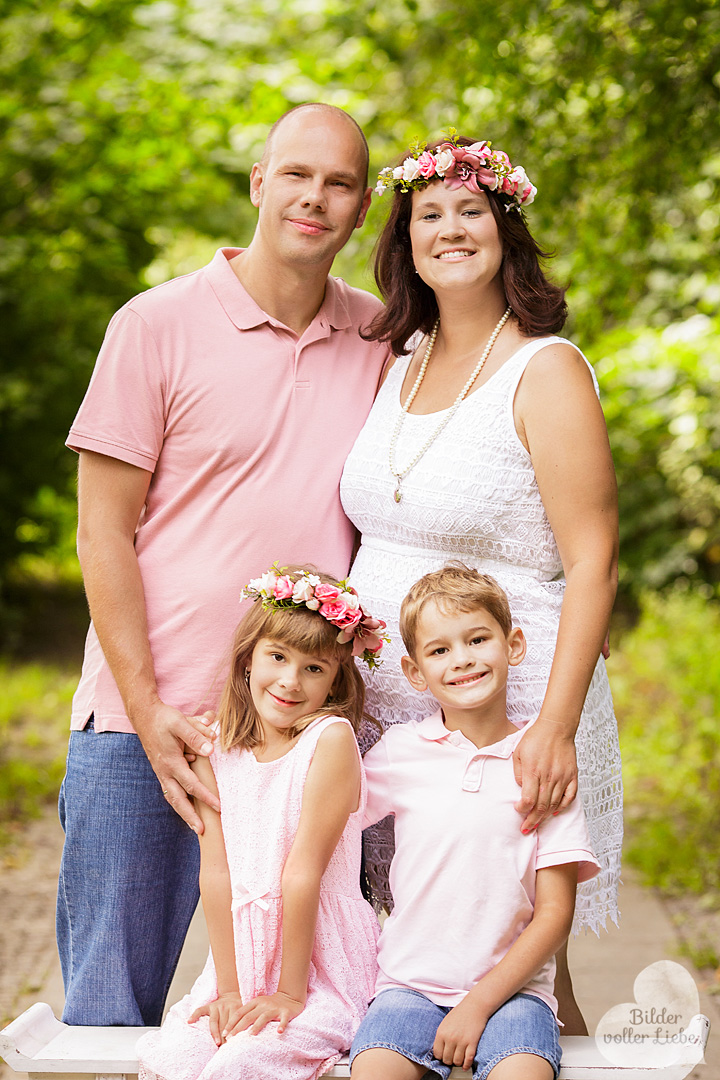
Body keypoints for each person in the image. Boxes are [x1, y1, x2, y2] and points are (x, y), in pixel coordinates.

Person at [57, 103, 389, 1026]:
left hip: (302, 734)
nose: (313, 198)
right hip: (143, 726)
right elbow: (102, 533)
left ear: (361, 208)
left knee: (301, 1007)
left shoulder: (380, 340)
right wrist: (150, 704)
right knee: (107, 1007)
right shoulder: (153, 324)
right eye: (296, 174)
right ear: (258, 182)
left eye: (339, 183)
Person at [340, 132, 622, 1032]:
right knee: (417, 966)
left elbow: (593, 561)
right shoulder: (399, 360)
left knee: (526, 971)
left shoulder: (547, 369)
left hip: (513, 708)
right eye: (431, 214)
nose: (451, 229)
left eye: (473, 211)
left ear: (505, 229)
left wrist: (554, 728)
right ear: (405, 240)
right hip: (398, 724)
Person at [350, 565, 600, 1080]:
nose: (462, 659)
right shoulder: (400, 753)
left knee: (522, 1074)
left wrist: (478, 1004)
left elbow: (554, 914)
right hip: (409, 984)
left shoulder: (543, 767)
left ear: (513, 645)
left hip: (515, 992)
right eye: (439, 650)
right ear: (415, 671)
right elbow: (324, 817)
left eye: (477, 639)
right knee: (374, 1070)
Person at [137, 565, 383, 1080]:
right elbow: (217, 873)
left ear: (337, 677)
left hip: (318, 964)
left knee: (243, 1063)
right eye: (278, 657)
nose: (291, 682)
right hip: (239, 963)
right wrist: (228, 989)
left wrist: (290, 993)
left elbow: (303, 873)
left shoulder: (329, 741)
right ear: (248, 658)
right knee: (175, 1061)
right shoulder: (216, 745)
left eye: (315, 668)